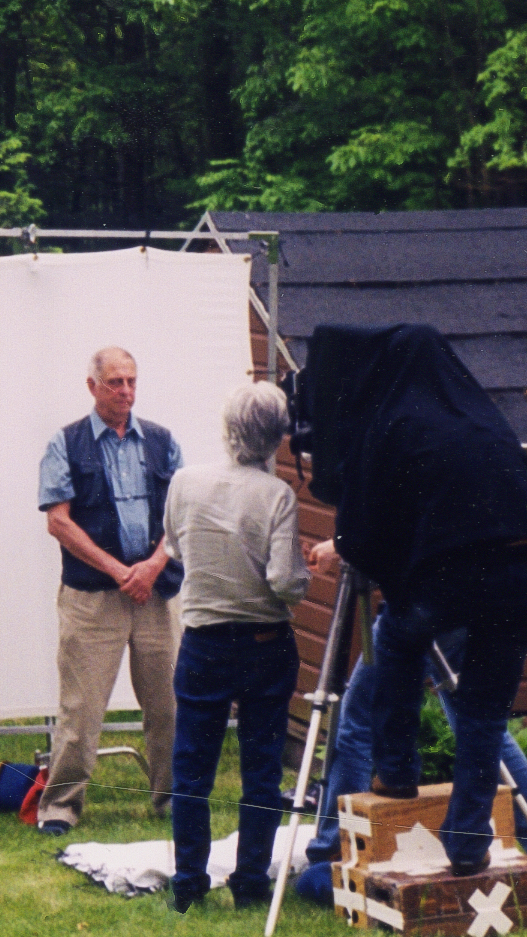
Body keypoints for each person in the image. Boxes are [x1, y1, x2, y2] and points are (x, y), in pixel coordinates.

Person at [308, 324, 527, 878]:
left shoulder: (396, 423)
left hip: (457, 577)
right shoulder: (484, 419)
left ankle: (397, 769)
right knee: (481, 713)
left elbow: (370, 529)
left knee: (397, 638)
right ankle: (469, 843)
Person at [291, 544, 527, 905]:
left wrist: (345, 543)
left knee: (358, 718)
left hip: (430, 597)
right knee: (477, 720)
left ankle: (336, 850)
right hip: (478, 590)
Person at [163, 382, 309, 912]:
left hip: (203, 642)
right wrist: (305, 574)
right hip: (265, 645)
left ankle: (187, 883)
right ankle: (249, 882)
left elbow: (177, 547)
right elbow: (284, 583)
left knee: (192, 770)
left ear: (227, 428)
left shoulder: (184, 481)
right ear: (278, 437)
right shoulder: (277, 496)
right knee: (261, 769)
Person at [34, 346, 185, 836]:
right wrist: (121, 572)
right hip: (93, 599)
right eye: (116, 382)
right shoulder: (65, 443)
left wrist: (152, 565)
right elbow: (59, 522)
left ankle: (172, 799)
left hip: (157, 596)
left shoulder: (164, 442)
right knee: (81, 708)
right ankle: (60, 806)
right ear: (92, 386)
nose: (126, 392)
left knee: (169, 704)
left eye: (132, 382)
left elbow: (182, 516)